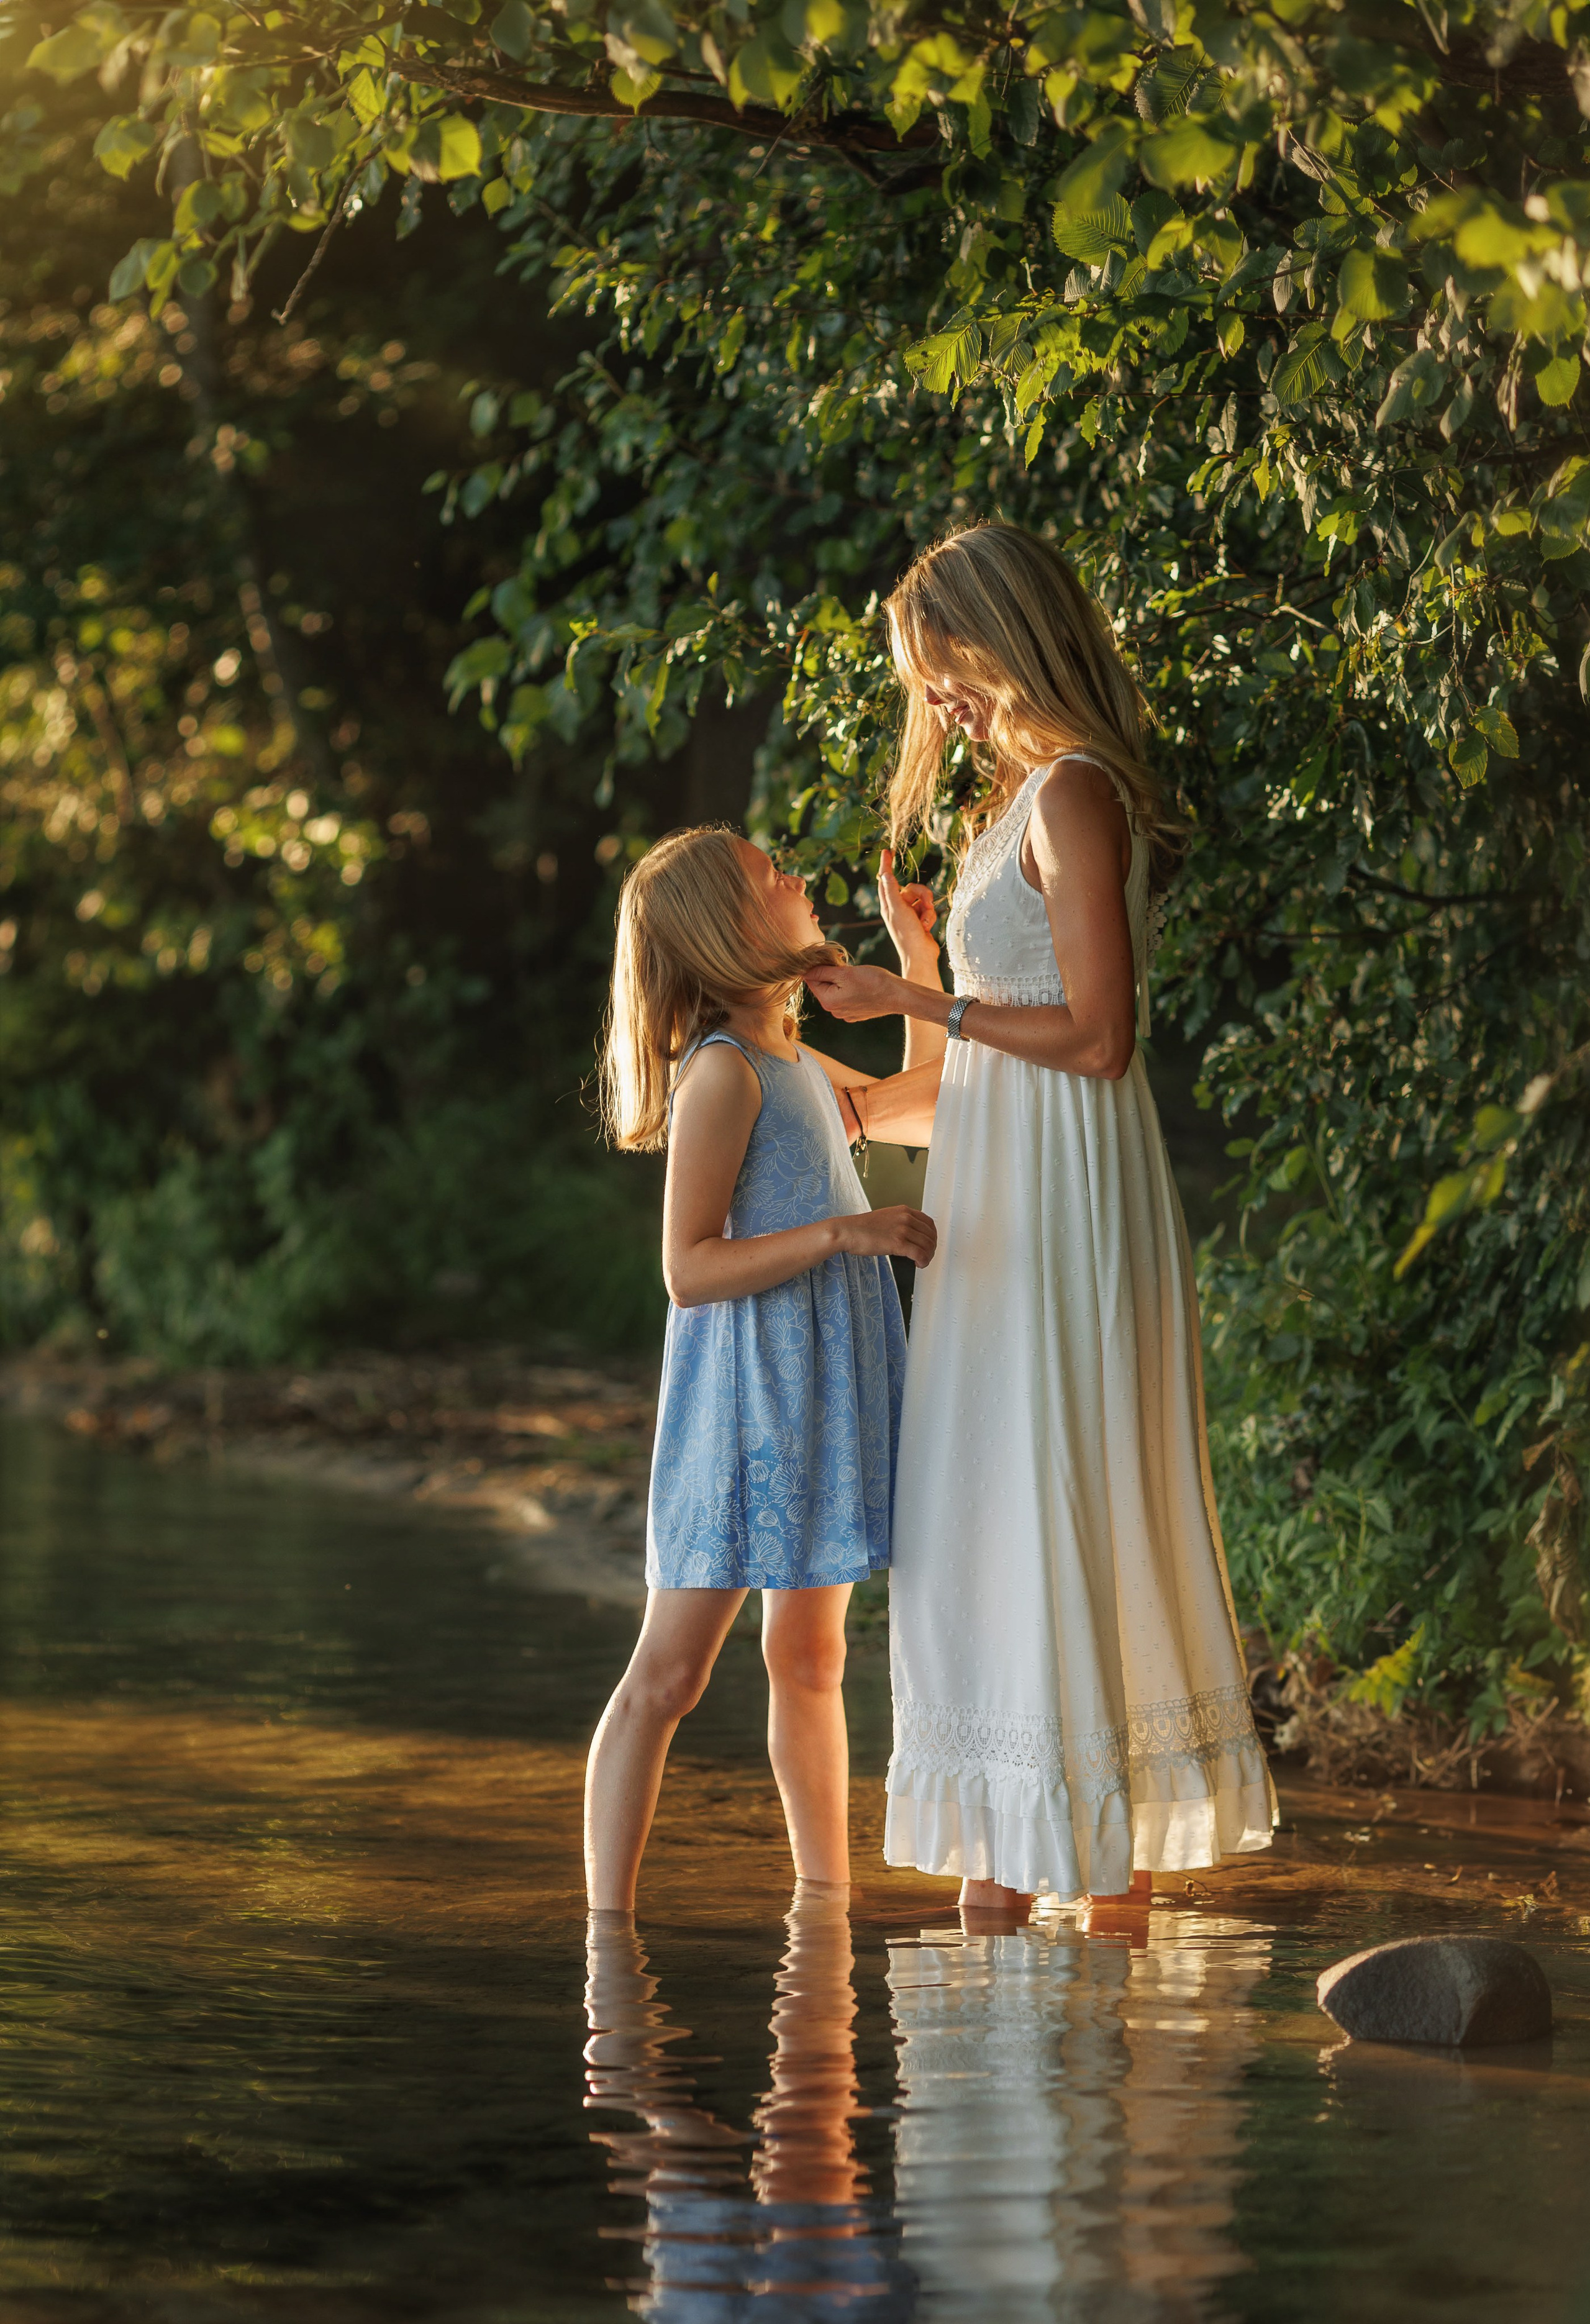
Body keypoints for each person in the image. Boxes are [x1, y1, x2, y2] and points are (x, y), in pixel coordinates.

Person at [805, 522, 1274, 1928]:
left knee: (1044, 1492)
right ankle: (1037, 1854)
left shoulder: (1076, 791)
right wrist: (885, 1006)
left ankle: (1058, 1854)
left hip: (1071, 1209)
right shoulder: (1007, 801)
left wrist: (921, 1003)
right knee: (979, 1510)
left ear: (997, 632)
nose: (930, 697)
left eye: (936, 664)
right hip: (1000, 1195)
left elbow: (1097, 1038)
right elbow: (965, 1096)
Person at [585, 825, 936, 1913]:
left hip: (816, 1389)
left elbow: (920, 1103)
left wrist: (916, 965)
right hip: (744, 1403)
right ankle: (606, 1935)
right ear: (726, 932)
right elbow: (687, 1268)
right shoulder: (725, 1074)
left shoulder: (788, 1052)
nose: (793, 876)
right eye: (766, 876)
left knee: (812, 1655)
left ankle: (822, 1903)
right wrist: (846, 1235)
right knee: (670, 1674)